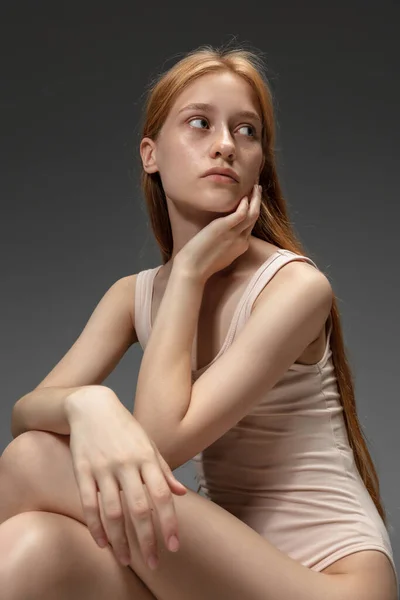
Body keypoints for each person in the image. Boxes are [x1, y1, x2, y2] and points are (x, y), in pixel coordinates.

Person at [0, 43, 397, 600]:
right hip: (214, 574)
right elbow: (26, 413)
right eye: (199, 123)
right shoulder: (131, 296)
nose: (225, 146)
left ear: (261, 163)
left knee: (34, 462)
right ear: (150, 155)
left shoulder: (296, 289)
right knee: (27, 548)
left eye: (247, 131)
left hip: (328, 585)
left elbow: (162, 442)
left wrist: (188, 271)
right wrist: (85, 402)